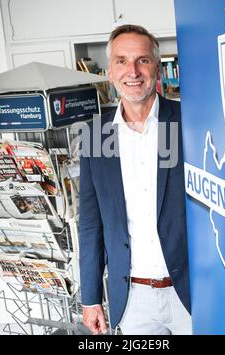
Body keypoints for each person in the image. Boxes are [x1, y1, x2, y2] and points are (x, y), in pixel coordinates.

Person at [79, 24, 191, 335]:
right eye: (121, 61)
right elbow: (90, 224)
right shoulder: (96, 135)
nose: (133, 71)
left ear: (156, 67)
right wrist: (90, 299)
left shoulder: (187, 121)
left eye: (142, 60)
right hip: (131, 299)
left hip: (192, 293)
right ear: (110, 73)